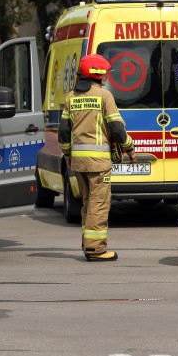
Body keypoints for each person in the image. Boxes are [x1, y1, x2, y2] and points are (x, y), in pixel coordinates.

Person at [59, 54, 137, 262]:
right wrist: (129, 147)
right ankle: (96, 249)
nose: (107, 77)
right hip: (99, 162)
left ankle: (88, 244)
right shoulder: (104, 96)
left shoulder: (71, 97)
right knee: (99, 203)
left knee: (88, 202)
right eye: (105, 73)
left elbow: (63, 132)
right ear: (97, 74)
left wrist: (68, 155)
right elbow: (117, 128)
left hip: (79, 163)